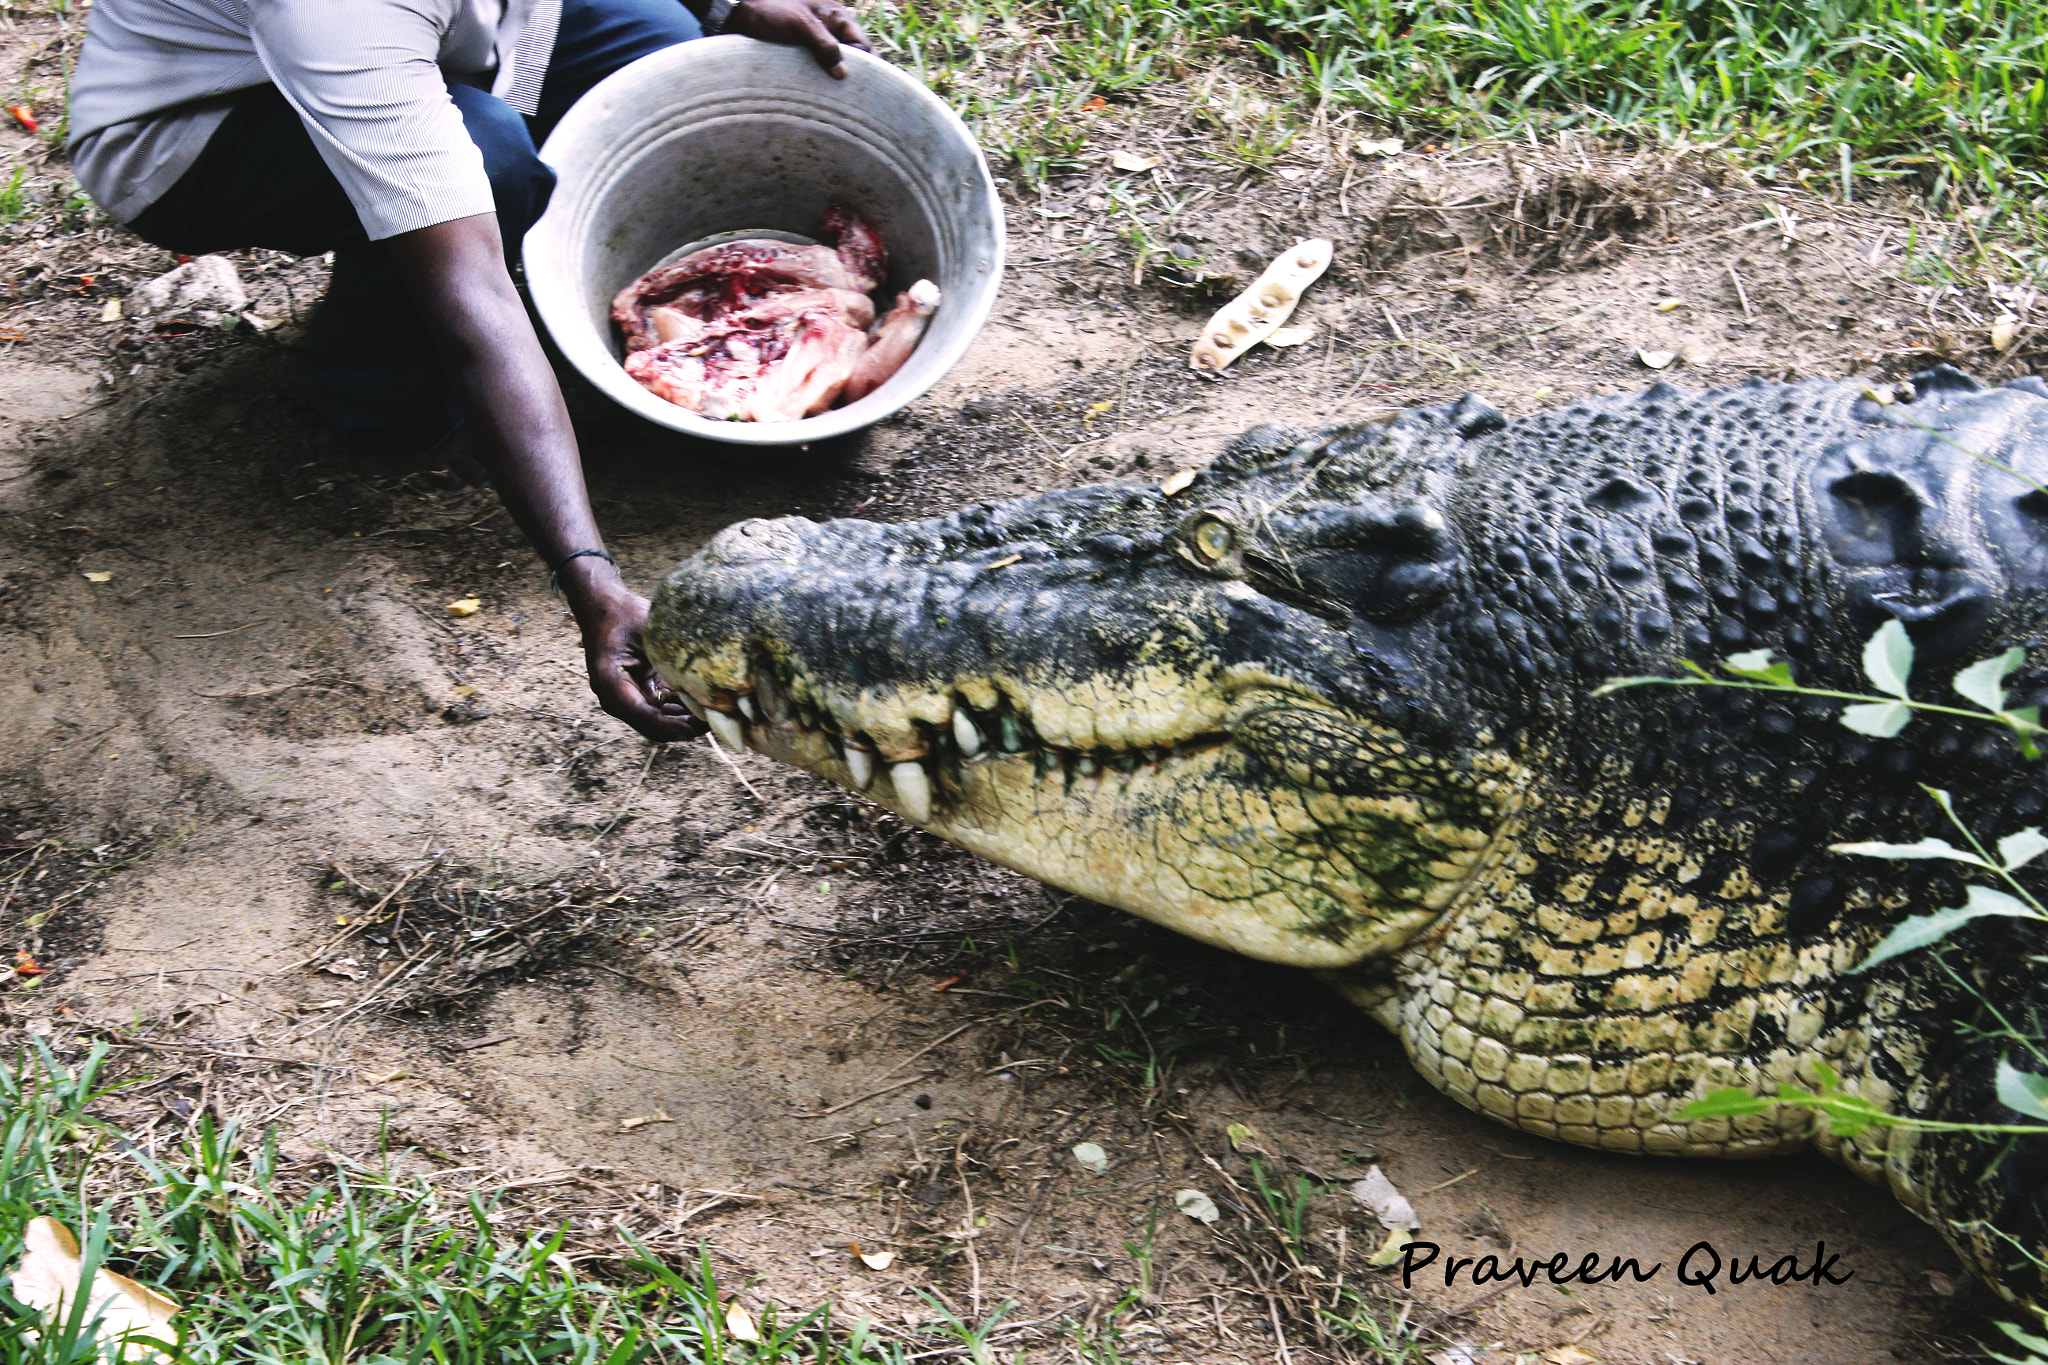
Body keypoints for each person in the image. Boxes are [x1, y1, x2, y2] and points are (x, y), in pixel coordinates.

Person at [65, 0, 871, 743]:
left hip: (441, 30)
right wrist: (590, 578)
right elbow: (475, 298)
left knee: (655, 38)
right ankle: (379, 394)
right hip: (192, 124)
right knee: (487, 160)